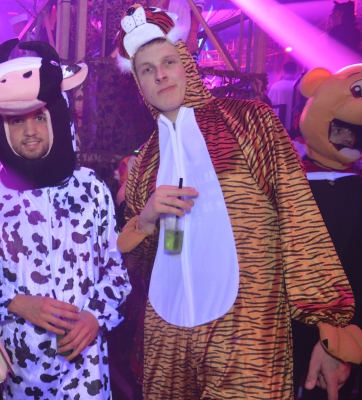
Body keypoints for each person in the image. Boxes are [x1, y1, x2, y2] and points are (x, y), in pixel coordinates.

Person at [115, 5, 355, 399]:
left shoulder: (251, 123)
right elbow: (139, 268)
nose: (160, 75)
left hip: (245, 340)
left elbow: (300, 221)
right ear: (138, 84)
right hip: (167, 346)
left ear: (185, 63)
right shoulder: (144, 163)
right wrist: (145, 220)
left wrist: (330, 332)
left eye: (168, 61)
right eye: (146, 69)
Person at [0, 39, 132, 398]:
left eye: (39, 117)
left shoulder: (91, 189)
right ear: (2, 128)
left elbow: (116, 271)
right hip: (23, 374)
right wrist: (18, 303)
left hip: (87, 372)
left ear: (55, 119)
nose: (30, 131)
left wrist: (95, 315)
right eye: (17, 121)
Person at [292, 65, 362, 400]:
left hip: (338, 342)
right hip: (278, 337)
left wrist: (345, 339)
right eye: (340, 129)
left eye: (354, 133)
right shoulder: (285, 184)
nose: (348, 139)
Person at [268, 61, 298, 131]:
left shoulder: (276, 86)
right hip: (295, 125)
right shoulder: (300, 86)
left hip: (279, 124)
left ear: (284, 71)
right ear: (296, 71)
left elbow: (269, 103)